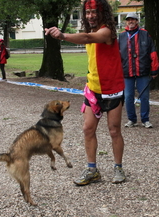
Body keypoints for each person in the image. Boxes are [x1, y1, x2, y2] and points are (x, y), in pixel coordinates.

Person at [45, 0, 126, 186]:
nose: (90, 15)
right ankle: (92, 170)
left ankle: (118, 167)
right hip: (93, 90)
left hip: (112, 91)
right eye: (87, 12)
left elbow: (88, 39)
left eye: (94, 12)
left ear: (102, 13)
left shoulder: (107, 32)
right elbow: (86, 38)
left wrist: (62, 35)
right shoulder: (90, 32)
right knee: (88, 129)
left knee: (114, 131)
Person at [118, 13, 159, 128]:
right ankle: (132, 119)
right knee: (128, 96)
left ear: (137, 21)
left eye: (133, 19)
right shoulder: (121, 36)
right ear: (126, 22)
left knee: (144, 96)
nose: (130, 21)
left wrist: (154, 69)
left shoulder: (145, 34)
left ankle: (145, 119)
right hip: (127, 72)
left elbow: (153, 53)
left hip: (143, 71)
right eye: (128, 20)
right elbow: (117, 56)